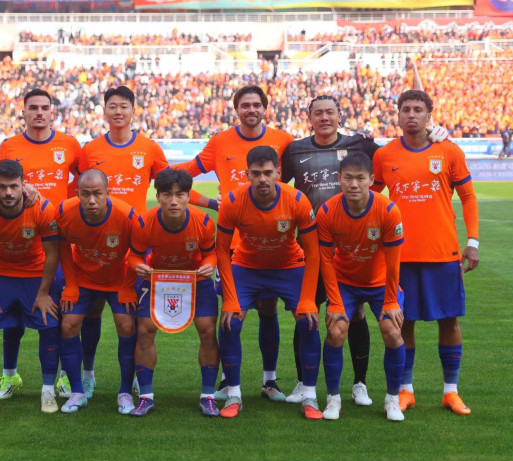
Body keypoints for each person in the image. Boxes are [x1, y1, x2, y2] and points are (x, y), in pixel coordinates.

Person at [281, 94, 449, 406]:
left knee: (355, 315)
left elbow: (396, 154)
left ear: (339, 115)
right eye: (318, 113)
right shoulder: (295, 149)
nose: (324, 118)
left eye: (330, 112)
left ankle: (359, 383)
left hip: (355, 250)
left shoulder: (360, 144)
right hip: (312, 248)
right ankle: (304, 383)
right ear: (309, 117)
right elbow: (278, 187)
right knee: (308, 315)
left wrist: (432, 134)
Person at [74, 85, 213, 399]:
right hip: (99, 240)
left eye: (124, 106)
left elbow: (173, 186)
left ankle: (137, 377)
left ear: (133, 110)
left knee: (134, 318)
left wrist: (213, 204)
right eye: (112, 106)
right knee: (92, 311)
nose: (118, 111)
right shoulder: (90, 150)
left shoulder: (149, 148)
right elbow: (79, 190)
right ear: (104, 111)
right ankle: (88, 373)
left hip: (137, 242)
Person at [173, 85, 295, 402]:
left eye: (256, 104)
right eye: (245, 105)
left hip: (273, 243)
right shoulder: (220, 142)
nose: (251, 110)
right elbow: (183, 175)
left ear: (265, 108)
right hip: (232, 245)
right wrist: (210, 203)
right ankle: (229, 381)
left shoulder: (284, 141)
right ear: (236, 109)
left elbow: (302, 177)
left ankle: (270, 381)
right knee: (232, 314)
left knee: (268, 310)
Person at [372, 89, 479, 415]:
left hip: (442, 253)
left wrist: (473, 241)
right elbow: (370, 196)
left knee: (449, 321)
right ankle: (406, 390)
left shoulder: (448, 150)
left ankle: (451, 392)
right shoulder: (385, 155)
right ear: (398, 115)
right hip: (400, 256)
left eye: (418, 109)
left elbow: (468, 197)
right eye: (406, 109)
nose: (411, 114)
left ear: (429, 115)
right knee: (404, 323)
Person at [216, 146, 321, 419]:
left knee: (308, 321)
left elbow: (313, 253)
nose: (262, 179)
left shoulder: (296, 200)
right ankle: (233, 394)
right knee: (229, 322)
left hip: (288, 266)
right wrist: (230, 299)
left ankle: (309, 395)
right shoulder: (232, 201)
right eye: (256, 173)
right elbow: (221, 252)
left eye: (267, 172)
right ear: (247, 174)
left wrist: (307, 299)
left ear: (278, 172)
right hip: (247, 266)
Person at [0, 88, 81, 403]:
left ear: (52, 111)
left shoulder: (69, 144)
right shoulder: (9, 146)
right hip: (20, 240)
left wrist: (66, 206)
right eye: (33, 108)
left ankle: (63, 376)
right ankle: (10, 375)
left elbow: (84, 182)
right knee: (13, 317)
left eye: (45, 107)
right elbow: (3, 182)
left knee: (60, 313)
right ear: (24, 112)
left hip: (58, 241)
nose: (39, 112)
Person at [0, 160, 61, 415]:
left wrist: (43, 293)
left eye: (14, 186)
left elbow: (53, 253)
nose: (8, 192)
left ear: (23, 185)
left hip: (35, 275)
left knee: (49, 327)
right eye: (3, 187)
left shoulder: (42, 208)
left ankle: (48, 391)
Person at [317, 152, 406, 421]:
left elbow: (393, 263)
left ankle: (392, 400)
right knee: (336, 331)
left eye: (360, 178)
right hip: (345, 282)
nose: (354, 184)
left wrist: (391, 300)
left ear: (371, 179)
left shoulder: (388, 210)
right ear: (339, 179)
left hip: (381, 284)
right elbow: (326, 260)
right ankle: (333, 399)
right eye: (348, 178)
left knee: (392, 331)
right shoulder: (327, 211)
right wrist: (334, 301)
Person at [128, 169, 220, 417]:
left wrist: (209, 264)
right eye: (167, 195)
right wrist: (137, 266)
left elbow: (211, 253)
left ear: (189, 196)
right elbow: (134, 256)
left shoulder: (203, 221)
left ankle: (208, 397)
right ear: (158, 196)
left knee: (208, 330)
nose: (173, 201)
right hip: (158, 279)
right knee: (145, 329)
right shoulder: (144, 222)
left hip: (195, 280)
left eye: (180, 195)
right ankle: (145, 397)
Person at [56, 169, 138, 414]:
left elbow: (139, 251)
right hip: (83, 278)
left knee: (127, 325)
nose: (91, 200)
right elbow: (63, 249)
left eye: (97, 194)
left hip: (118, 278)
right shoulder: (65, 212)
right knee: (68, 324)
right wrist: (71, 284)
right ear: (77, 193)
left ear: (108, 193)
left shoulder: (126, 215)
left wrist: (128, 286)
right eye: (85, 194)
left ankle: (125, 392)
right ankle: (78, 391)